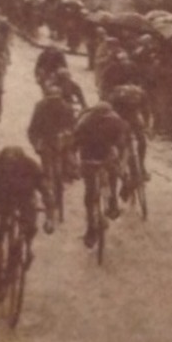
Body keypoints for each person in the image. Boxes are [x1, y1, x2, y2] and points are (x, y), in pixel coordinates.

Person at [0, 146, 54, 298]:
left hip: (24, 198)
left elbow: (45, 190)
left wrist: (50, 216)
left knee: (29, 227)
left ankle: (26, 248)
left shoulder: (31, 166)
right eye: (8, 166)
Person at [72, 102, 130, 247]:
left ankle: (91, 229)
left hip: (88, 158)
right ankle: (111, 202)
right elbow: (122, 146)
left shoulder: (83, 121)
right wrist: (122, 166)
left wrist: (74, 165)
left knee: (90, 194)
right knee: (111, 176)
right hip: (105, 157)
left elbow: (74, 145)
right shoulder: (116, 121)